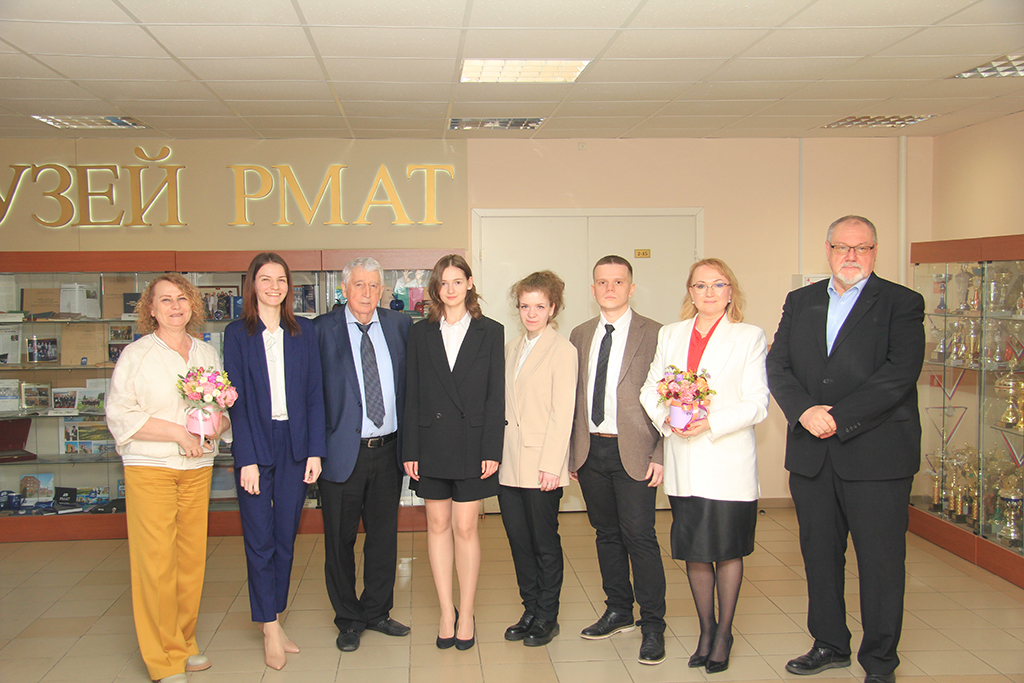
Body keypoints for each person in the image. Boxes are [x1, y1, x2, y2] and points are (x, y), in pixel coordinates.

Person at [766, 216, 925, 683]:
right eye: (842, 247)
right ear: (828, 250)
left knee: (880, 563)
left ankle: (880, 661)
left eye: (862, 248)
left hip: (877, 456)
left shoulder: (901, 302)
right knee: (819, 556)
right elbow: (778, 364)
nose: (851, 256)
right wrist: (804, 411)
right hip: (812, 455)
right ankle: (830, 644)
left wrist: (837, 416)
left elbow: (899, 373)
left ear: (875, 251)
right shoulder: (801, 301)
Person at [639, 258, 769, 674]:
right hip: (683, 459)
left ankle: (724, 633)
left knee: (726, 550)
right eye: (700, 285)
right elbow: (650, 388)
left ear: (731, 291)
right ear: (690, 292)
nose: (709, 293)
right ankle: (706, 630)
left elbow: (757, 403)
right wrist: (668, 420)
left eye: (717, 285)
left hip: (727, 460)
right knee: (695, 551)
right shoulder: (671, 334)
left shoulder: (748, 336)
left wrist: (710, 422)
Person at [106, 273, 230, 683]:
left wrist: (217, 425)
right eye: (165, 300)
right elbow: (120, 414)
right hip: (151, 467)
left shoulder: (205, 352)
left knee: (190, 561)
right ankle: (162, 659)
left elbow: (220, 408)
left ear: (192, 304)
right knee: (156, 563)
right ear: (151, 309)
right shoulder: (137, 355)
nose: (175, 306)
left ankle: (183, 643)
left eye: (181, 298)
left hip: (197, 467)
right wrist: (178, 433)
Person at [223, 253, 325, 669]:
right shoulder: (236, 334)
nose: (273, 286)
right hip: (255, 442)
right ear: (252, 285)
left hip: (294, 445)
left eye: (280, 279)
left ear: (288, 286)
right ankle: (268, 626)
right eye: (265, 279)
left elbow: (315, 393)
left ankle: (275, 617)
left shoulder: (304, 331)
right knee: (259, 538)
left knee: (285, 537)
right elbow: (235, 402)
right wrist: (245, 458)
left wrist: (315, 450)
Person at [568, 255, 667, 665]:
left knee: (639, 537)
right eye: (602, 282)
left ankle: (653, 625)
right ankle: (618, 610)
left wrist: (661, 453)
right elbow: (572, 395)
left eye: (618, 281)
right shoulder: (580, 334)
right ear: (592, 289)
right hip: (591, 450)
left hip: (636, 452)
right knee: (606, 534)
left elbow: (670, 397)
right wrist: (571, 453)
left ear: (631, 287)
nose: (610, 288)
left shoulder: (657, 333)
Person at [403, 254, 504, 651]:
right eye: (443, 283)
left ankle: (467, 611)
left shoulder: (490, 331)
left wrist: (492, 447)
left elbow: (495, 395)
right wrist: (410, 448)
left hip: (473, 444)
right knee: (437, 525)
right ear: (435, 288)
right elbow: (411, 393)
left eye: (457, 281)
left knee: (465, 528)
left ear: (470, 283)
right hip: (430, 443)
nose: (450, 289)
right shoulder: (420, 333)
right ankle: (447, 611)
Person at [313, 257, 413, 653]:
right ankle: (348, 619)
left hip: (387, 451)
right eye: (359, 285)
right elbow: (311, 396)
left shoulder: (400, 326)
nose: (367, 293)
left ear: (383, 290)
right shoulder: (322, 330)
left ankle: (376, 611)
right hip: (341, 454)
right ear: (344, 289)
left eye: (374, 286)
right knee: (340, 542)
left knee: (383, 539)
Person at [499, 271, 578, 647]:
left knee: (544, 543)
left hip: (542, 464)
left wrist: (552, 464)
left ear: (553, 308)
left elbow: (563, 413)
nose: (531, 314)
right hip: (509, 462)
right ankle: (529, 609)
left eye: (539, 306)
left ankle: (547, 615)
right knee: (519, 542)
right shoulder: (511, 347)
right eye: (525, 306)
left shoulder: (563, 351)